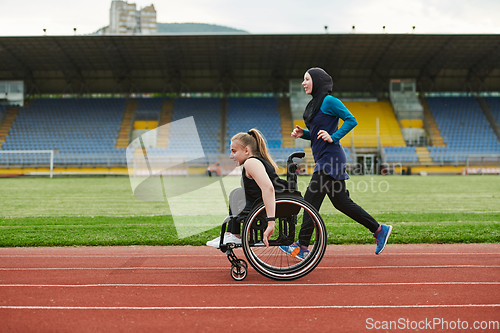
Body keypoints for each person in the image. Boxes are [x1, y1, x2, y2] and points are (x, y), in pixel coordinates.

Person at [280, 67, 392, 258]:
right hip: (324, 158)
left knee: (310, 200)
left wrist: (334, 136)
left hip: (331, 159)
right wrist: (304, 134)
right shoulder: (314, 103)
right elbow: (318, 134)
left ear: (317, 81)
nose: (303, 83)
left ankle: (302, 246)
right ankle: (379, 229)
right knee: (342, 203)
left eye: (307, 79)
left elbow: (351, 120)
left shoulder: (329, 101)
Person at [206, 128, 287, 248]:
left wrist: (271, 222)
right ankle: (232, 234)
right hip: (267, 200)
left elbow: (268, 188)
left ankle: (234, 235)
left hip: (274, 203)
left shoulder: (251, 163)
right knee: (237, 193)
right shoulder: (255, 161)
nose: (231, 155)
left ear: (247, 150)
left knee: (237, 194)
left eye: (234, 151)